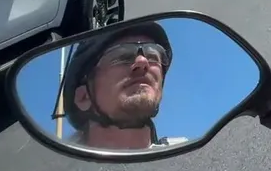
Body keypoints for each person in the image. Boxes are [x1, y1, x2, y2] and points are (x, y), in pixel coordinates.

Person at [61, 22, 188, 150]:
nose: (143, 62)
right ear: (83, 97)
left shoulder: (184, 153)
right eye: (123, 57)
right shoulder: (56, 161)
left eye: (153, 57)